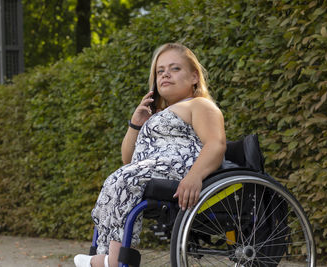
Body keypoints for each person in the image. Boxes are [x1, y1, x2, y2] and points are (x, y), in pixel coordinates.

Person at [74, 43, 226, 267]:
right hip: (153, 168)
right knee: (117, 179)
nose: (165, 74)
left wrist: (195, 176)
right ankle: (105, 254)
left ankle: (113, 260)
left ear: (195, 76)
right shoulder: (158, 113)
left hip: (181, 166)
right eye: (160, 70)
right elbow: (129, 160)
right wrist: (135, 125)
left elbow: (216, 144)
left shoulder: (199, 104)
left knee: (124, 179)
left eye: (175, 69)